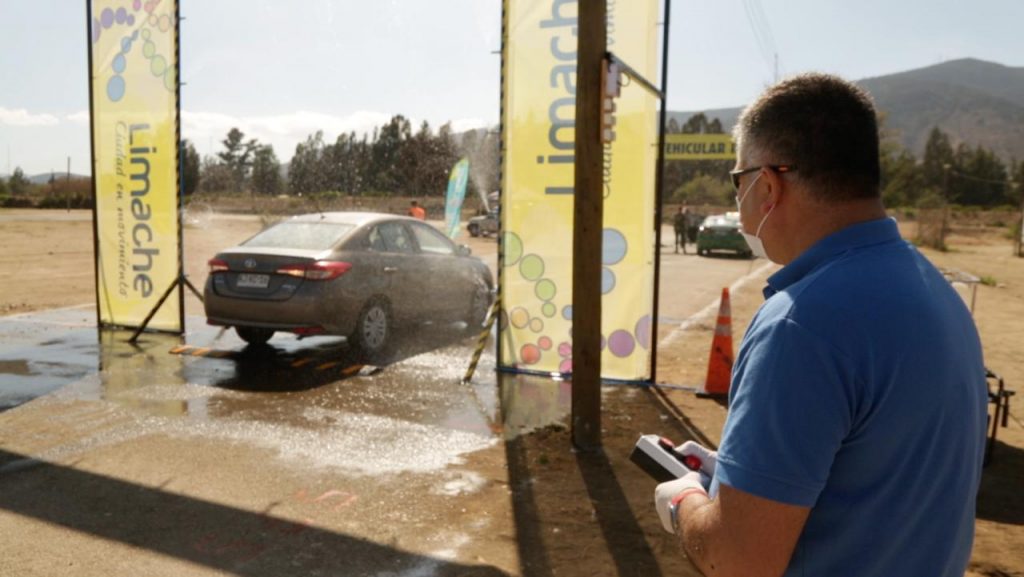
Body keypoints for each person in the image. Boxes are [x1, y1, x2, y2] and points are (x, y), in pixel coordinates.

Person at [653, 73, 987, 577]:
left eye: (737, 181)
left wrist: (684, 501)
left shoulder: (800, 324)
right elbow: (875, 477)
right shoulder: (935, 291)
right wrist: (737, 478)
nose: (738, 202)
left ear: (768, 184)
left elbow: (737, 560)